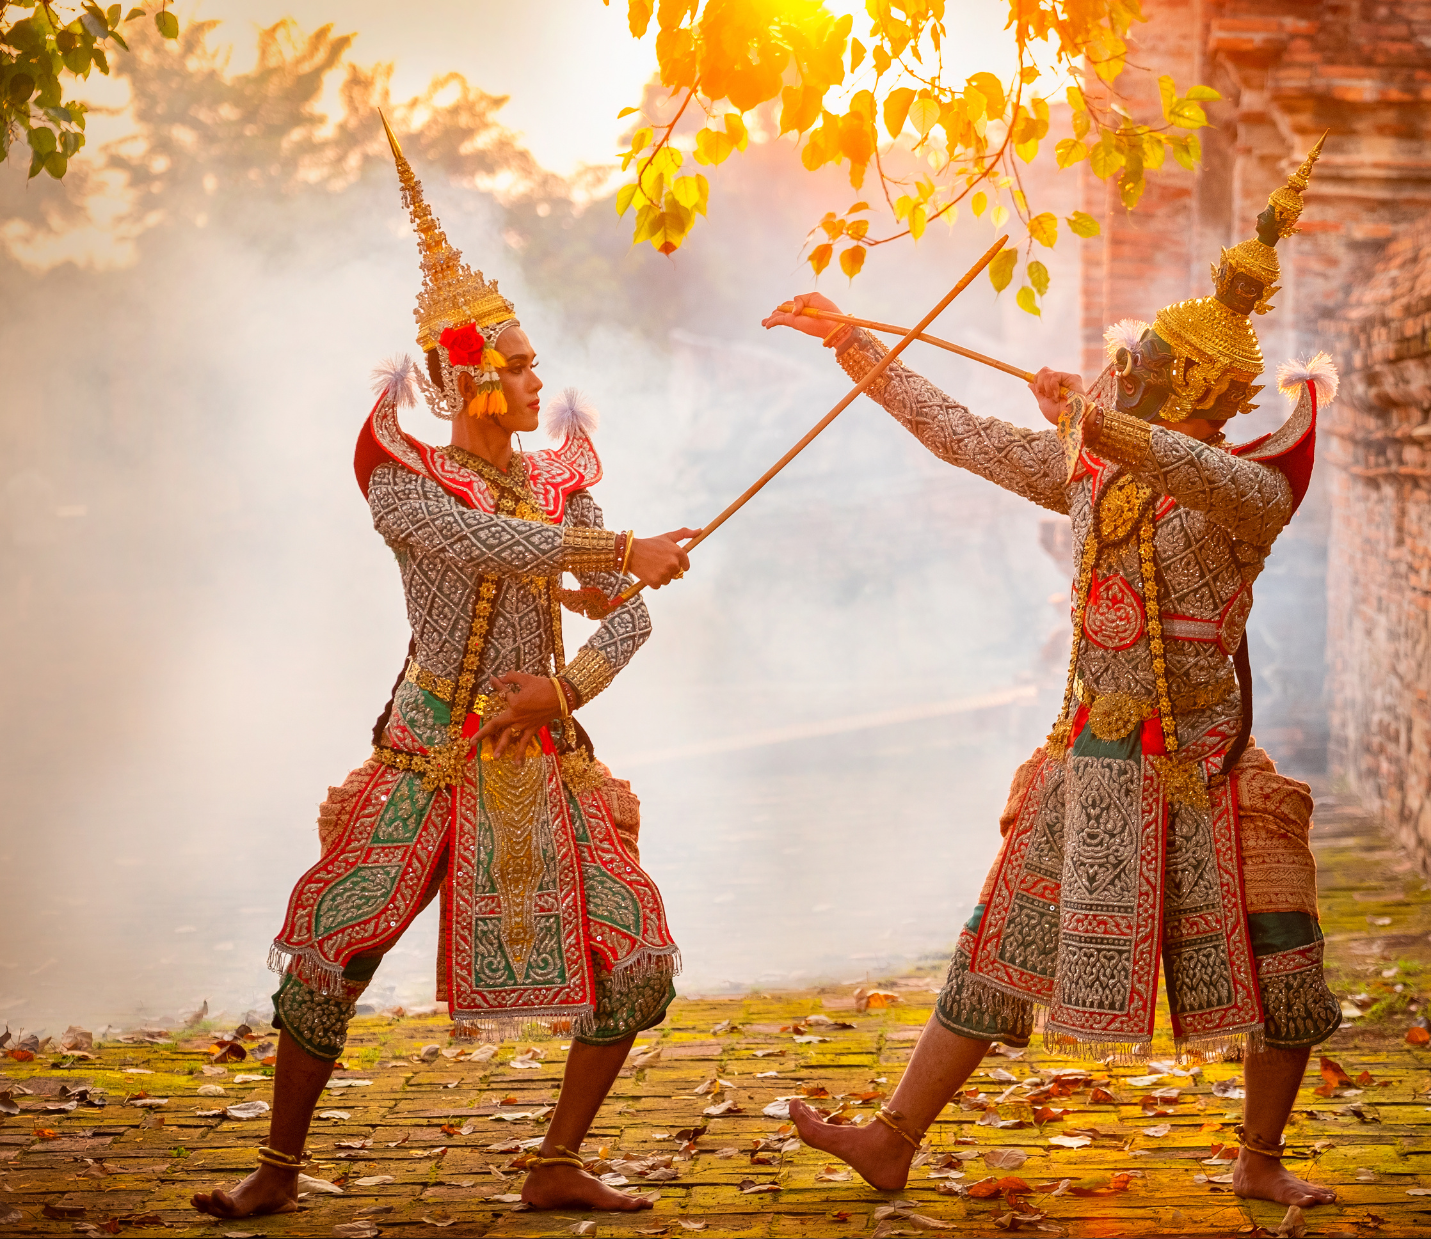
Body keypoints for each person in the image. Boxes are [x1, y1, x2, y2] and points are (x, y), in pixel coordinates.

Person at [765, 138, 1345, 1207]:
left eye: (1144, 368)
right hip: (1094, 751)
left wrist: (1094, 415)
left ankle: (1259, 1158)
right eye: (1129, 366)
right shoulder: (1092, 468)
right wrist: (854, 344)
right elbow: (966, 436)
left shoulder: (1244, 491)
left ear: (1191, 390)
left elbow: (1183, 462)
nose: (1125, 369)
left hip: (1208, 765)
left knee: (1281, 951)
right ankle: (894, 1134)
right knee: (997, 942)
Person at [193, 117, 693, 1219]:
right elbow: (487, 546)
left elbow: (630, 623)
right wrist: (618, 550)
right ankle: (275, 1169)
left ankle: (556, 1158)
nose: (532, 378)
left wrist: (567, 685)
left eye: (531, 361)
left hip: (541, 761)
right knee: (327, 955)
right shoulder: (407, 486)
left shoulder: (561, 490)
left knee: (642, 960)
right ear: (464, 378)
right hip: (426, 753)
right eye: (513, 366)